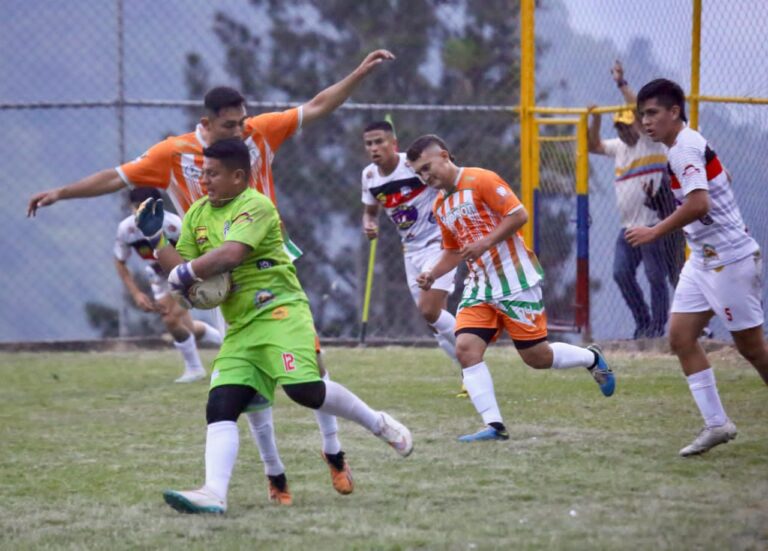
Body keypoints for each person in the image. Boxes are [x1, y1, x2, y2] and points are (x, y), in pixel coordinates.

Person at [27, 49, 396, 501]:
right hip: (219, 280)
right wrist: (61, 193)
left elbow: (318, 105)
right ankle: (270, 475)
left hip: (266, 267)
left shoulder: (259, 135)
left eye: (243, 121)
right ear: (206, 123)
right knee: (241, 390)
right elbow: (116, 177)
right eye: (230, 125)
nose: (241, 130)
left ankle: (334, 452)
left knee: (311, 371)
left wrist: (356, 73)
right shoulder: (174, 155)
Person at [138, 138, 411, 514]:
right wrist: (157, 240)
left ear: (238, 176)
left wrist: (185, 273)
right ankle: (213, 493)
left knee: (305, 391)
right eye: (202, 172)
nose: (204, 180)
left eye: (212, 173)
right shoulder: (198, 213)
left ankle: (377, 423)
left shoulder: (256, 205)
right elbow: (179, 265)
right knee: (221, 404)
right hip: (240, 325)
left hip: (280, 312)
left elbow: (231, 253)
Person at [407, 135, 615, 442]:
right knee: (466, 349)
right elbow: (453, 250)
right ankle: (494, 426)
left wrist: (486, 242)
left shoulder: (481, 180)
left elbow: (519, 215)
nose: (426, 177)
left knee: (537, 358)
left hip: (516, 281)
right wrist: (431, 273)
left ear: (444, 154)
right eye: (419, 174)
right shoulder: (440, 205)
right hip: (480, 287)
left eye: (427, 167)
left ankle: (591, 358)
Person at [628, 78, 768, 457]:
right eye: (643, 115)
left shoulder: (683, 148)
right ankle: (717, 423)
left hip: (729, 261)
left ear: (675, 112)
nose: (646, 122)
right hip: (703, 261)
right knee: (680, 337)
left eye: (653, 113)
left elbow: (699, 204)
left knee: (753, 350)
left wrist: (655, 230)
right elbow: (718, 181)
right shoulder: (686, 144)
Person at [360, 120, 463, 394]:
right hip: (411, 250)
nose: (374, 148)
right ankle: (469, 369)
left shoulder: (414, 165)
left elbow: (446, 181)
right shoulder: (369, 176)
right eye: (369, 143)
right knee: (432, 320)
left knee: (430, 310)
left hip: (439, 242)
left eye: (379, 141)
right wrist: (369, 223)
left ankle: (474, 355)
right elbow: (370, 211)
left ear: (393, 143)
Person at [587, 60, 674, 338]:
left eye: (627, 126)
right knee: (621, 273)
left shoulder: (651, 142)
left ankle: (657, 328)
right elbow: (593, 145)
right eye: (619, 128)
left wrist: (621, 83)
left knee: (655, 277)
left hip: (652, 224)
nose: (623, 132)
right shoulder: (619, 148)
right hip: (628, 228)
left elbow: (638, 107)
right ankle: (643, 322)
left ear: (637, 125)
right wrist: (596, 120)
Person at [115, 187, 222, 383]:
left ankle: (195, 369)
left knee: (171, 319)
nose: (142, 213)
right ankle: (223, 340)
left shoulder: (174, 225)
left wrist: (189, 280)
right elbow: (119, 262)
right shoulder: (126, 229)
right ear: (131, 207)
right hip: (159, 277)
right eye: (137, 208)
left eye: (147, 208)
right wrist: (136, 293)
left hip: (185, 272)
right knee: (187, 329)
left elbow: (195, 254)